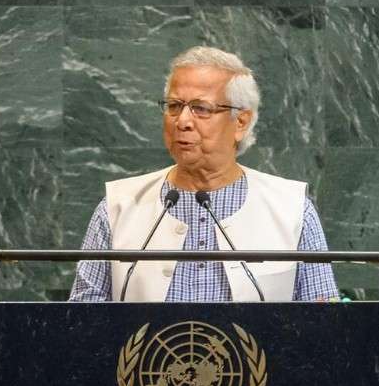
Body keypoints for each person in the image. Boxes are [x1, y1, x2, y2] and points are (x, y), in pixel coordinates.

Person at [69, 46, 338, 302]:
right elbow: (81, 320)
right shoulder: (118, 207)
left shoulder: (291, 208)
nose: (182, 121)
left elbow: (325, 321)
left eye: (201, 109)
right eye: (174, 106)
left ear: (241, 122)